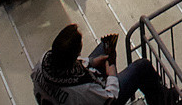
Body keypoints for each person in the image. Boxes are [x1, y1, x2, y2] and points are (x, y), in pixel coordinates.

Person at [30, 23, 165, 105]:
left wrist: (92, 62)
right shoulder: (82, 90)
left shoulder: (44, 61)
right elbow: (109, 98)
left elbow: (67, 65)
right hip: (101, 99)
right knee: (142, 67)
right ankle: (162, 101)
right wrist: (111, 72)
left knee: (104, 48)